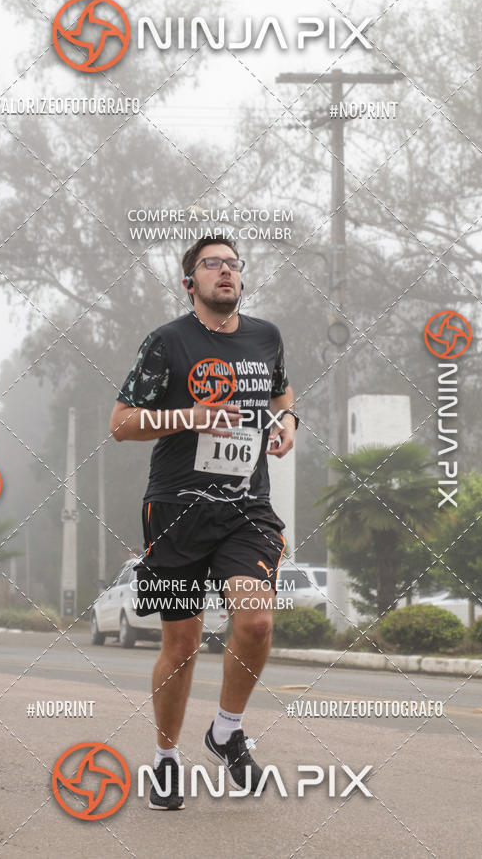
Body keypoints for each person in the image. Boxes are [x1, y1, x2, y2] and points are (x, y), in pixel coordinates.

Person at [110, 234, 298, 810]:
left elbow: (281, 389)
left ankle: (225, 730)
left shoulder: (265, 337)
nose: (225, 271)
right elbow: (121, 423)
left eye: (232, 264)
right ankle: (167, 759)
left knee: (258, 622)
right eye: (210, 264)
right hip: (174, 510)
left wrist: (287, 417)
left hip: (245, 509)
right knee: (183, 642)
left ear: (242, 278)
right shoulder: (167, 342)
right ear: (190, 281)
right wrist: (187, 416)